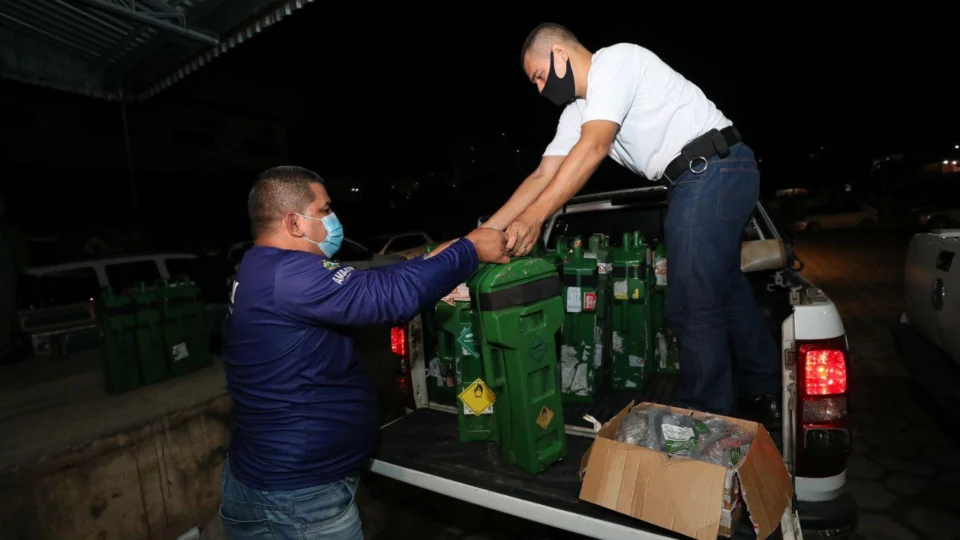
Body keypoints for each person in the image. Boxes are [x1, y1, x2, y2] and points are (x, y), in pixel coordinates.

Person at [483, 23, 781, 425]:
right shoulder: (579, 111)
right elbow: (542, 176)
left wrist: (536, 219)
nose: (539, 90)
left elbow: (594, 146)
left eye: (538, 76)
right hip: (704, 176)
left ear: (558, 53)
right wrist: (485, 233)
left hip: (713, 168)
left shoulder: (615, 62)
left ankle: (702, 425)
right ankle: (764, 388)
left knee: (690, 301)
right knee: (724, 288)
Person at [220, 166, 508, 540]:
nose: (333, 219)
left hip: (276, 485)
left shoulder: (261, 266)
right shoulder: (288, 276)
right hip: (299, 500)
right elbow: (390, 298)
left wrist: (440, 254)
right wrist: (470, 252)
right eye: (324, 210)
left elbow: (373, 281)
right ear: (294, 222)